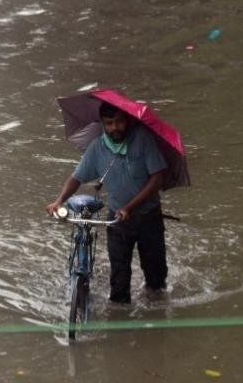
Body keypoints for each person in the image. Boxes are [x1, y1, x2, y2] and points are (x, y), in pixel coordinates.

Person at [45, 100, 168, 305]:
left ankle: (157, 318)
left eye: (119, 122)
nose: (114, 128)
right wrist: (59, 201)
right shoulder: (97, 147)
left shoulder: (143, 140)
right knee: (119, 281)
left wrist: (130, 207)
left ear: (127, 121)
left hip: (149, 217)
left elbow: (158, 177)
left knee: (156, 280)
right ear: (102, 123)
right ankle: (121, 324)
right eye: (109, 123)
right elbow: (77, 177)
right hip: (118, 220)